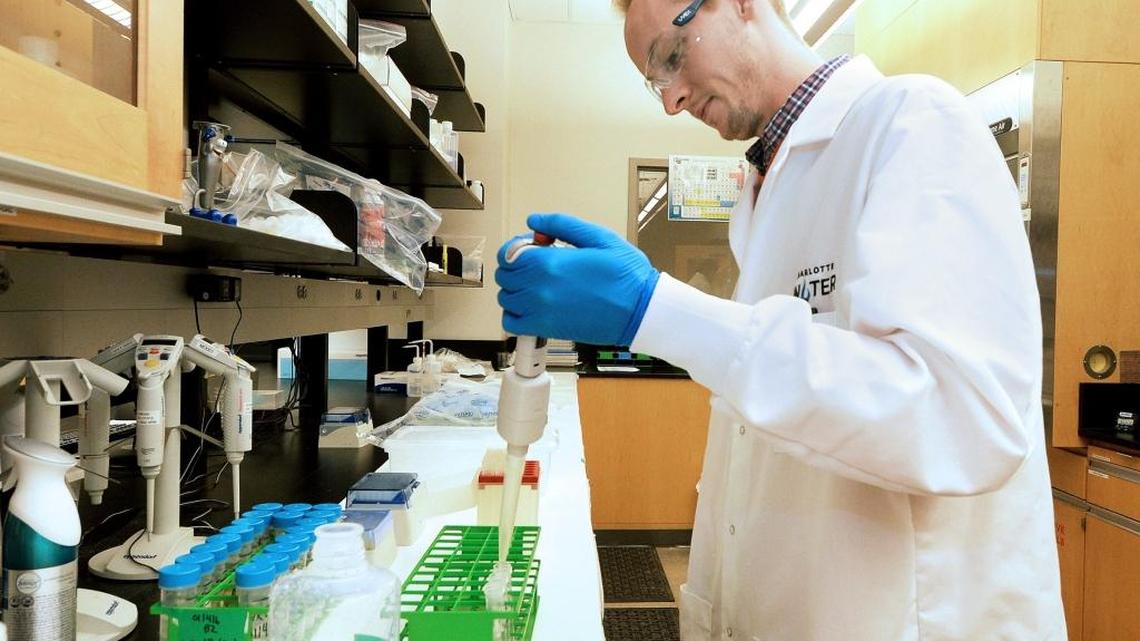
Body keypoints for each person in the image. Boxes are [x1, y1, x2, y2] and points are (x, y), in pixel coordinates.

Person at [495, 0, 1067, 639]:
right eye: (656, 80)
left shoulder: (914, 123)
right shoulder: (767, 184)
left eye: (672, 58)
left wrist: (653, 309)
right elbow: (763, 444)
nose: (671, 102)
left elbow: (961, 419)